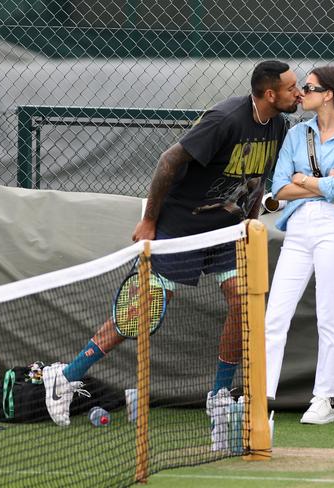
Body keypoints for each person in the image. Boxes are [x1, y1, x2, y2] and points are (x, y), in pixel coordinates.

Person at [43, 60, 301, 426]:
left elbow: (255, 179)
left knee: (244, 303)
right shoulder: (225, 119)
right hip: (180, 227)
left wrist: (249, 223)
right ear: (270, 93)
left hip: (225, 231)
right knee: (140, 312)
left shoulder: (278, 124)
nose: (299, 93)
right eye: (292, 88)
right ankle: (65, 377)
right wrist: (150, 220)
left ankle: (219, 396)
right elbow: (169, 160)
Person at [264, 65, 334, 425]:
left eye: (309, 88)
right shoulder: (297, 134)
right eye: (302, 87)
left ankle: (323, 400)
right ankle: (261, 394)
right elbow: (279, 188)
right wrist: (323, 181)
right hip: (297, 228)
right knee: (275, 314)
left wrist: (304, 179)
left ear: (328, 94)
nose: (301, 93)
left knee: (329, 315)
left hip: (333, 229)